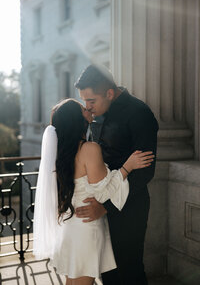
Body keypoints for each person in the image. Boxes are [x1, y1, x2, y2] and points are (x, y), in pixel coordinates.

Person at [33, 98, 155, 285]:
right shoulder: (89, 149)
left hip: (70, 226)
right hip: (86, 228)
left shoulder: (60, 151)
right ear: (76, 118)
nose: (88, 108)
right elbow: (103, 192)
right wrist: (127, 167)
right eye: (83, 108)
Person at [74, 65, 159, 285]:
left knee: (129, 270)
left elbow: (145, 172)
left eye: (91, 101)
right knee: (107, 273)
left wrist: (105, 207)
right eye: (84, 101)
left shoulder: (139, 113)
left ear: (109, 93)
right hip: (99, 206)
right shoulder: (97, 114)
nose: (87, 107)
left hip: (130, 207)